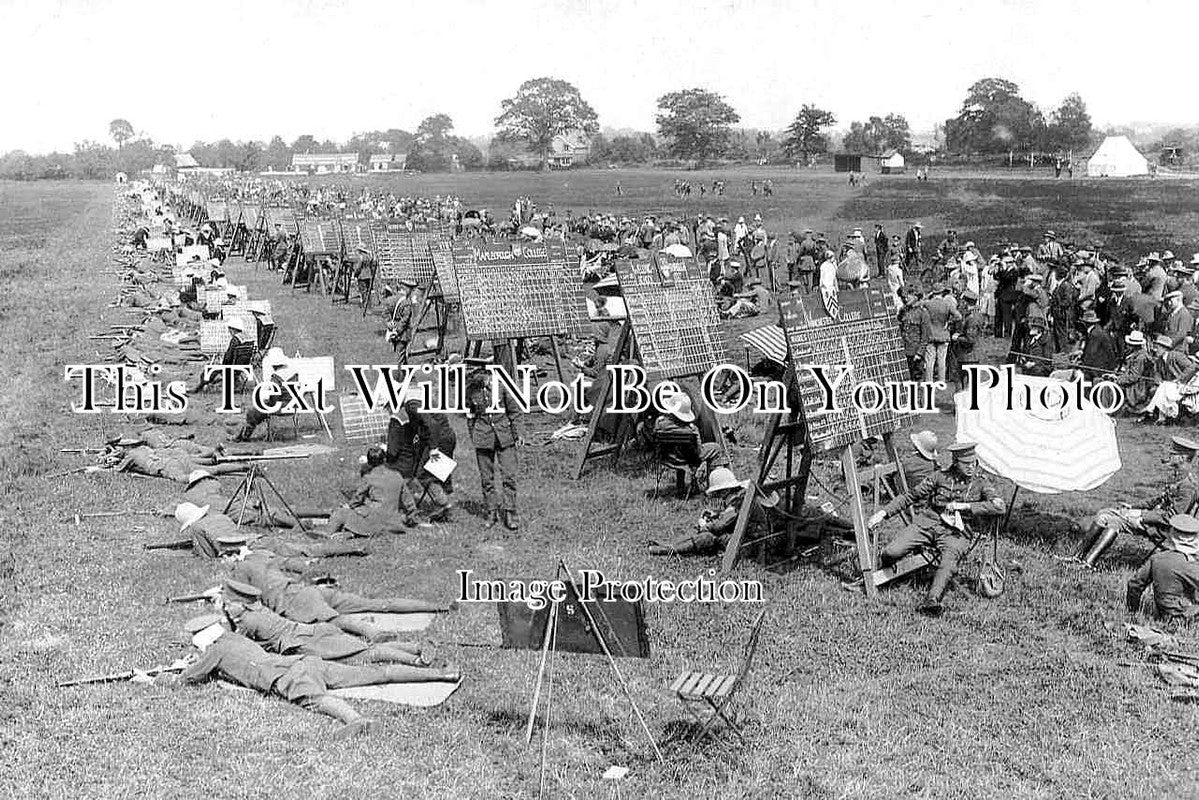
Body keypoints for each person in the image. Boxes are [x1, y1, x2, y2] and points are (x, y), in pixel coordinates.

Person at [170, 629, 459, 739]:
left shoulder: (214, 653)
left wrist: (154, 677)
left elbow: (186, 679)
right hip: (309, 663)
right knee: (376, 674)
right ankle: (442, 675)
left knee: (319, 701)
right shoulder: (234, 639)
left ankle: (355, 719)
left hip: (288, 678)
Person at [868, 442, 1005, 615]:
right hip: (928, 523)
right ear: (956, 462)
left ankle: (932, 601)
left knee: (948, 560)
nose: (970, 467)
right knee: (891, 552)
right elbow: (910, 496)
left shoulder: (981, 483)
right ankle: (887, 570)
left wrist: (966, 506)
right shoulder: (940, 476)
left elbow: (999, 507)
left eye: (973, 463)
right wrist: (883, 513)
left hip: (957, 532)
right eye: (965, 463)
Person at [221, 580, 427, 666]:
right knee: (363, 647)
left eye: (229, 604)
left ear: (240, 604)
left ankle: (415, 661)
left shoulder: (248, 621)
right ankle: (413, 648)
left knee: (364, 655)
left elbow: (237, 645)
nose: (228, 607)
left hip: (306, 642)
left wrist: (223, 616)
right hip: (315, 630)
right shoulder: (258, 610)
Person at [1075, 436, 1199, 566]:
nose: (1169, 455)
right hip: (1154, 520)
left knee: (1114, 520)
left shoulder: (1187, 486)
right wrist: (1133, 506)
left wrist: (1141, 515)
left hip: (1164, 528)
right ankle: (1078, 557)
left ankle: (1089, 563)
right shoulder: (1177, 476)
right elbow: (1159, 499)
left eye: (1173, 454)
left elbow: (1172, 517)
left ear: (1182, 458)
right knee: (1103, 514)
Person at [647, 468, 777, 556]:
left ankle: (668, 549)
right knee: (706, 530)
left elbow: (721, 524)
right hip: (746, 538)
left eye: (718, 492)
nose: (717, 495)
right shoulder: (736, 498)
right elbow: (727, 518)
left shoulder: (738, 501)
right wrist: (713, 517)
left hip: (750, 545)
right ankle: (669, 545)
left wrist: (706, 525)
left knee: (707, 536)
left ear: (724, 490)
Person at [465, 359, 522, 530]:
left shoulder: (502, 387)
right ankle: (491, 512)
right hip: (483, 438)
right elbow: (470, 416)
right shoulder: (470, 391)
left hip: (504, 437)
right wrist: (474, 436)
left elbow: (515, 411)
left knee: (509, 476)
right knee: (486, 479)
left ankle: (510, 511)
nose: (475, 377)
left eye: (478, 373)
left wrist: (519, 433)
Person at [328, 444, 426, 536]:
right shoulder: (397, 475)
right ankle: (347, 534)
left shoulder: (368, 478)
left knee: (340, 512)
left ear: (369, 462)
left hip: (374, 523)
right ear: (384, 459)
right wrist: (411, 519)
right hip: (394, 523)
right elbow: (409, 503)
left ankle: (327, 534)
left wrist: (351, 506)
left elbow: (355, 502)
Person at [1126, 514, 1199, 621]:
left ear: (1172, 535)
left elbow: (1134, 584)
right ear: (1194, 539)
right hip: (1187, 614)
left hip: (1161, 613)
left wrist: (1132, 610)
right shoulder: (1189, 564)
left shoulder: (1157, 558)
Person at [923, 284, 961, 383]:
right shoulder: (947, 304)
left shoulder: (927, 303)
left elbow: (920, 303)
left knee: (929, 361)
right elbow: (959, 316)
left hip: (930, 335)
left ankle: (928, 381)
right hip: (943, 334)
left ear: (933, 292)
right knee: (942, 361)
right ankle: (941, 381)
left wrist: (928, 295)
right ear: (942, 292)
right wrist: (949, 322)